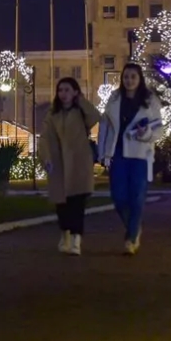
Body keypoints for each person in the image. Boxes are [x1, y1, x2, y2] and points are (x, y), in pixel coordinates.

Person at [98, 63, 163, 255]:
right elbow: (105, 127)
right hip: (117, 153)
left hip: (140, 154)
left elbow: (159, 130)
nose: (129, 80)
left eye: (133, 77)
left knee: (136, 196)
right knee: (118, 197)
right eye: (126, 76)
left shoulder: (150, 100)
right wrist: (102, 152)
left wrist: (146, 132)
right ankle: (134, 227)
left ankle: (131, 237)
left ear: (139, 78)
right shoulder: (114, 98)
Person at [39, 76, 101, 256]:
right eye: (61, 90)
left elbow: (95, 116)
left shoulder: (80, 111)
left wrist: (80, 99)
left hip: (79, 163)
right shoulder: (52, 114)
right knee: (62, 205)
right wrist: (46, 158)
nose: (63, 94)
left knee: (77, 204)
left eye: (67, 90)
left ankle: (76, 239)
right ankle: (65, 233)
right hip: (59, 164)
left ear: (75, 92)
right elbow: (44, 137)